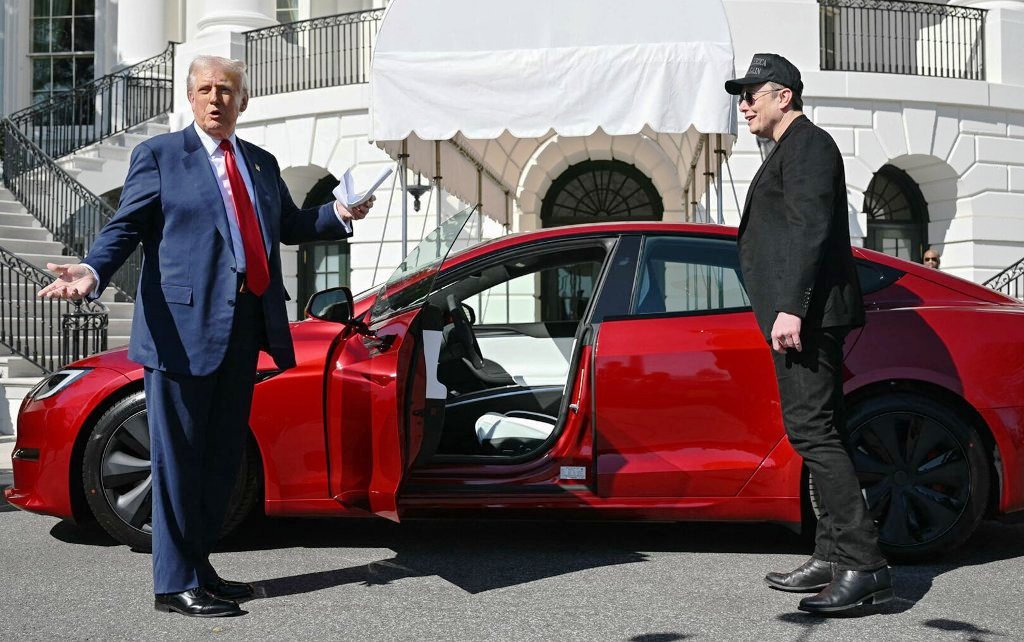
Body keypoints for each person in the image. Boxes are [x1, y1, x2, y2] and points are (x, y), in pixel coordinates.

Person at [38, 55, 373, 617]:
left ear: (244, 101)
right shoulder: (161, 156)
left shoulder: (262, 164)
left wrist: (339, 212)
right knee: (177, 459)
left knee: (220, 461)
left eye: (227, 90)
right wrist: (92, 271)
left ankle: (200, 566)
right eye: (205, 89)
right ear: (190, 98)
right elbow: (126, 228)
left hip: (245, 327)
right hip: (180, 332)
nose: (216, 98)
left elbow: (290, 227)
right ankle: (173, 585)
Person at [725, 53, 893, 614]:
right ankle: (829, 554)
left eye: (753, 93)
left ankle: (864, 565)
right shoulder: (790, 150)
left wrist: (791, 307)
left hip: (808, 316)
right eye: (740, 94)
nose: (743, 103)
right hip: (806, 312)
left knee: (812, 433)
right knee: (826, 430)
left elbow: (809, 229)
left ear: (784, 97)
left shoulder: (808, 146)